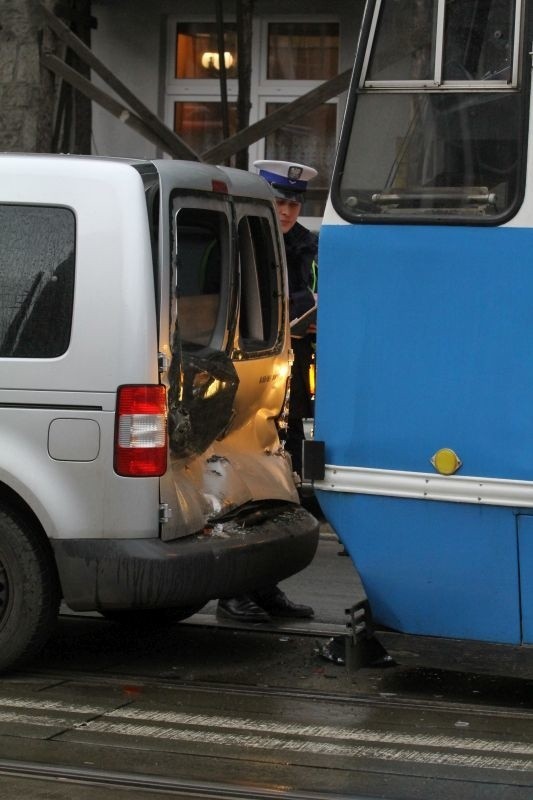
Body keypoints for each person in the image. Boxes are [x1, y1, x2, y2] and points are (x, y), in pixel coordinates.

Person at [216, 160, 318, 624]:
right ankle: (234, 592)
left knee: (279, 491)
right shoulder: (240, 242)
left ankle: (264, 587)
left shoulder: (306, 247)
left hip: (286, 384)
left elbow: (313, 295)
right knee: (242, 490)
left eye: (294, 203)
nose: (287, 211)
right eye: (280, 202)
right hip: (243, 383)